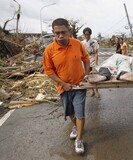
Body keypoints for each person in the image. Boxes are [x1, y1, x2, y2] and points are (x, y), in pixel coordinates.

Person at [43, 18, 90, 154]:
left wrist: (86, 76)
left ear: (69, 31)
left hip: (79, 86)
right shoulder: (49, 50)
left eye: (63, 32)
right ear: (53, 32)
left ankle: (79, 139)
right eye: (57, 33)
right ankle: (76, 127)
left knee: (80, 112)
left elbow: (86, 60)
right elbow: (49, 71)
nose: (61, 36)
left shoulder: (77, 44)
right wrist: (63, 83)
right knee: (70, 111)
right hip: (63, 88)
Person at [82, 27, 101, 98]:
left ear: (90, 34)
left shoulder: (94, 42)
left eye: (88, 35)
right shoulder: (82, 43)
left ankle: (96, 90)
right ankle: (92, 90)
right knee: (88, 76)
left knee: (95, 76)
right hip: (86, 62)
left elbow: (96, 53)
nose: (87, 36)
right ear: (84, 34)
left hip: (93, 61)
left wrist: (96, 63)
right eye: (85, 35)